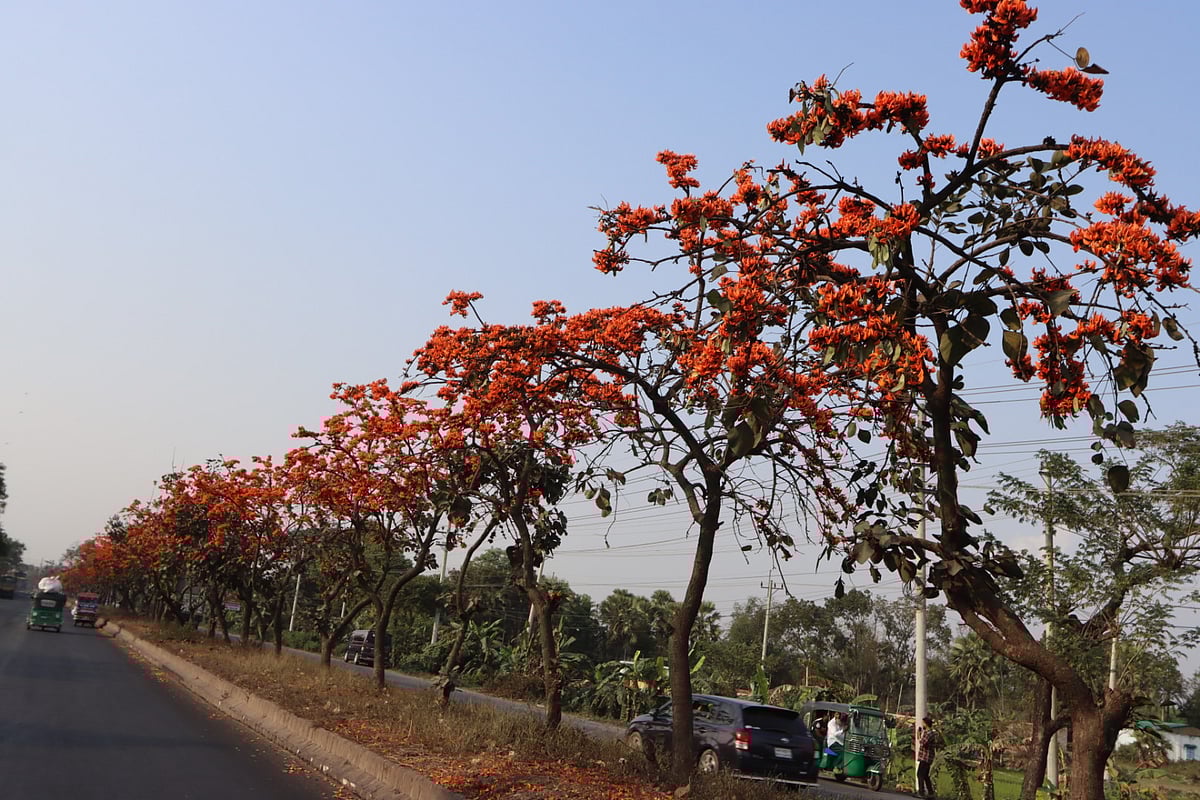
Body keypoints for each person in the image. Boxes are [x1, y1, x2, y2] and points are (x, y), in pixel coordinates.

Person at [916, 715, 941, 798]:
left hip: (925, 757)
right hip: (927, 757)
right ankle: (930, 793)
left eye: (923, 723)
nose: (922, 725)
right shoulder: (929, 733)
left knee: (920, 774)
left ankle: (921, 792)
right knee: (926, 775)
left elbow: (923, 743)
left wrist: (919, 735)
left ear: (926, 724)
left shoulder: (929, 733)